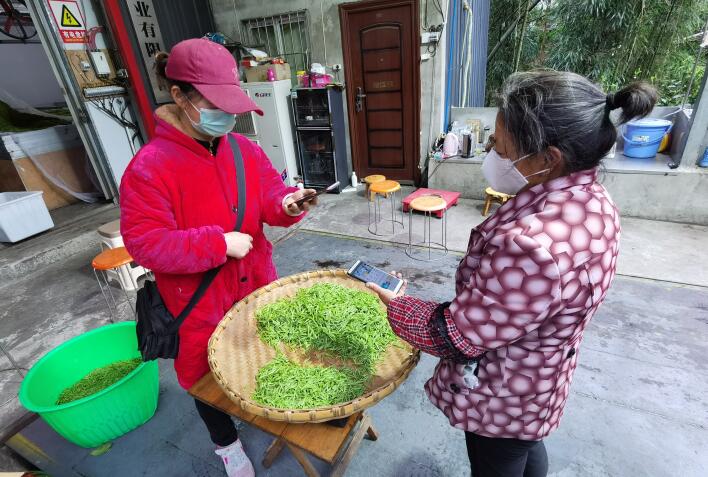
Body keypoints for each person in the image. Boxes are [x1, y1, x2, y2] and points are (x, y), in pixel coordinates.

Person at [367, 70, 657, 477]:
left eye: (501, 148)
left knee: (499, 458)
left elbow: (460, 336)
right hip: (542, 377)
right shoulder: (593, 199)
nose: (491, 154)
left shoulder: (532, 245)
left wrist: (397, 306)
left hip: (505, 391)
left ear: (548, 159)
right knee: (528, 444)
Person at [120, 38, 318, 477]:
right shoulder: (150, 168)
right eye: (216, 104)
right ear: (179, 97)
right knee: (207, 381)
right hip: (199, 307)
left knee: (263, 355)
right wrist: (217, 245)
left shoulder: (244, 150)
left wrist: (287, 204)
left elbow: (269, 195)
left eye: (232, 104)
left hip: (256, 287)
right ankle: (226, 445)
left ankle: (266, 406)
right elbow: (146, 243)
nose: (227, 115)